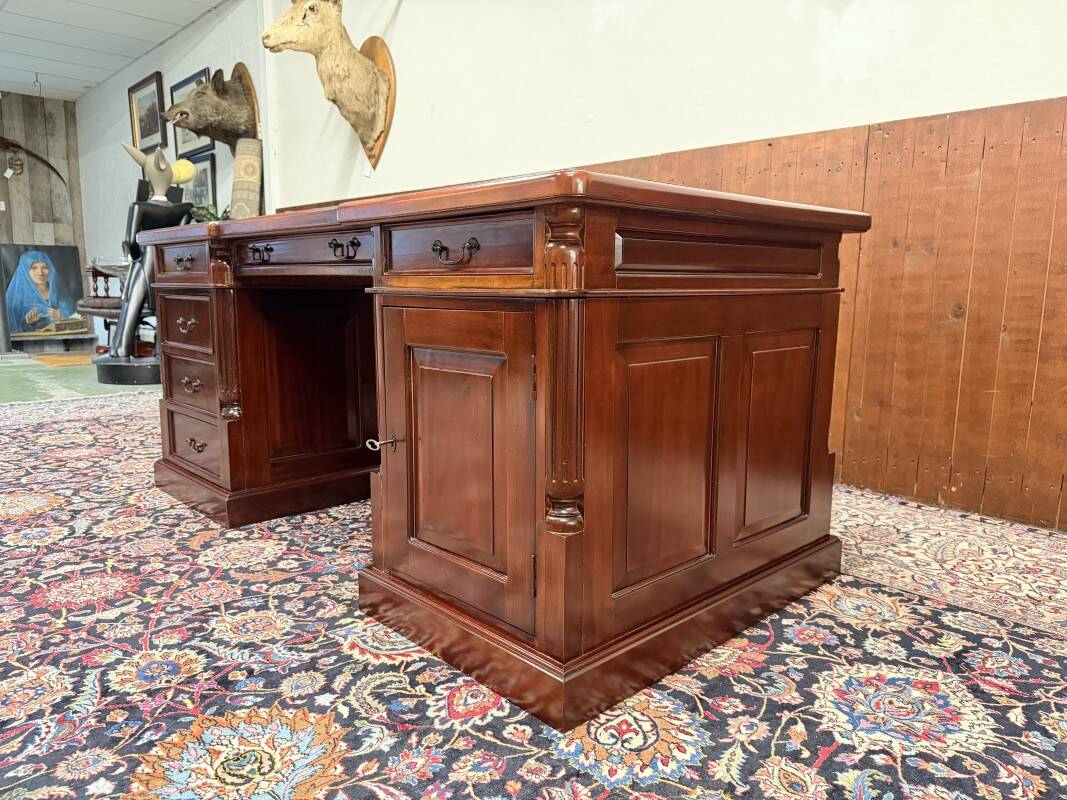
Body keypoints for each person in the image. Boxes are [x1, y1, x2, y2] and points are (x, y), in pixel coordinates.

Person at [5, 250, 73, 333]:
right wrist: (28, 323)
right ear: (25, 271)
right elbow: (12, 328)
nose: (40, 273)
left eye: (45, 267)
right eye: (33, 268)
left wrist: (62, 315)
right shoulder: (17, 298)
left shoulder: (58, 292)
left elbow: (73, 312)